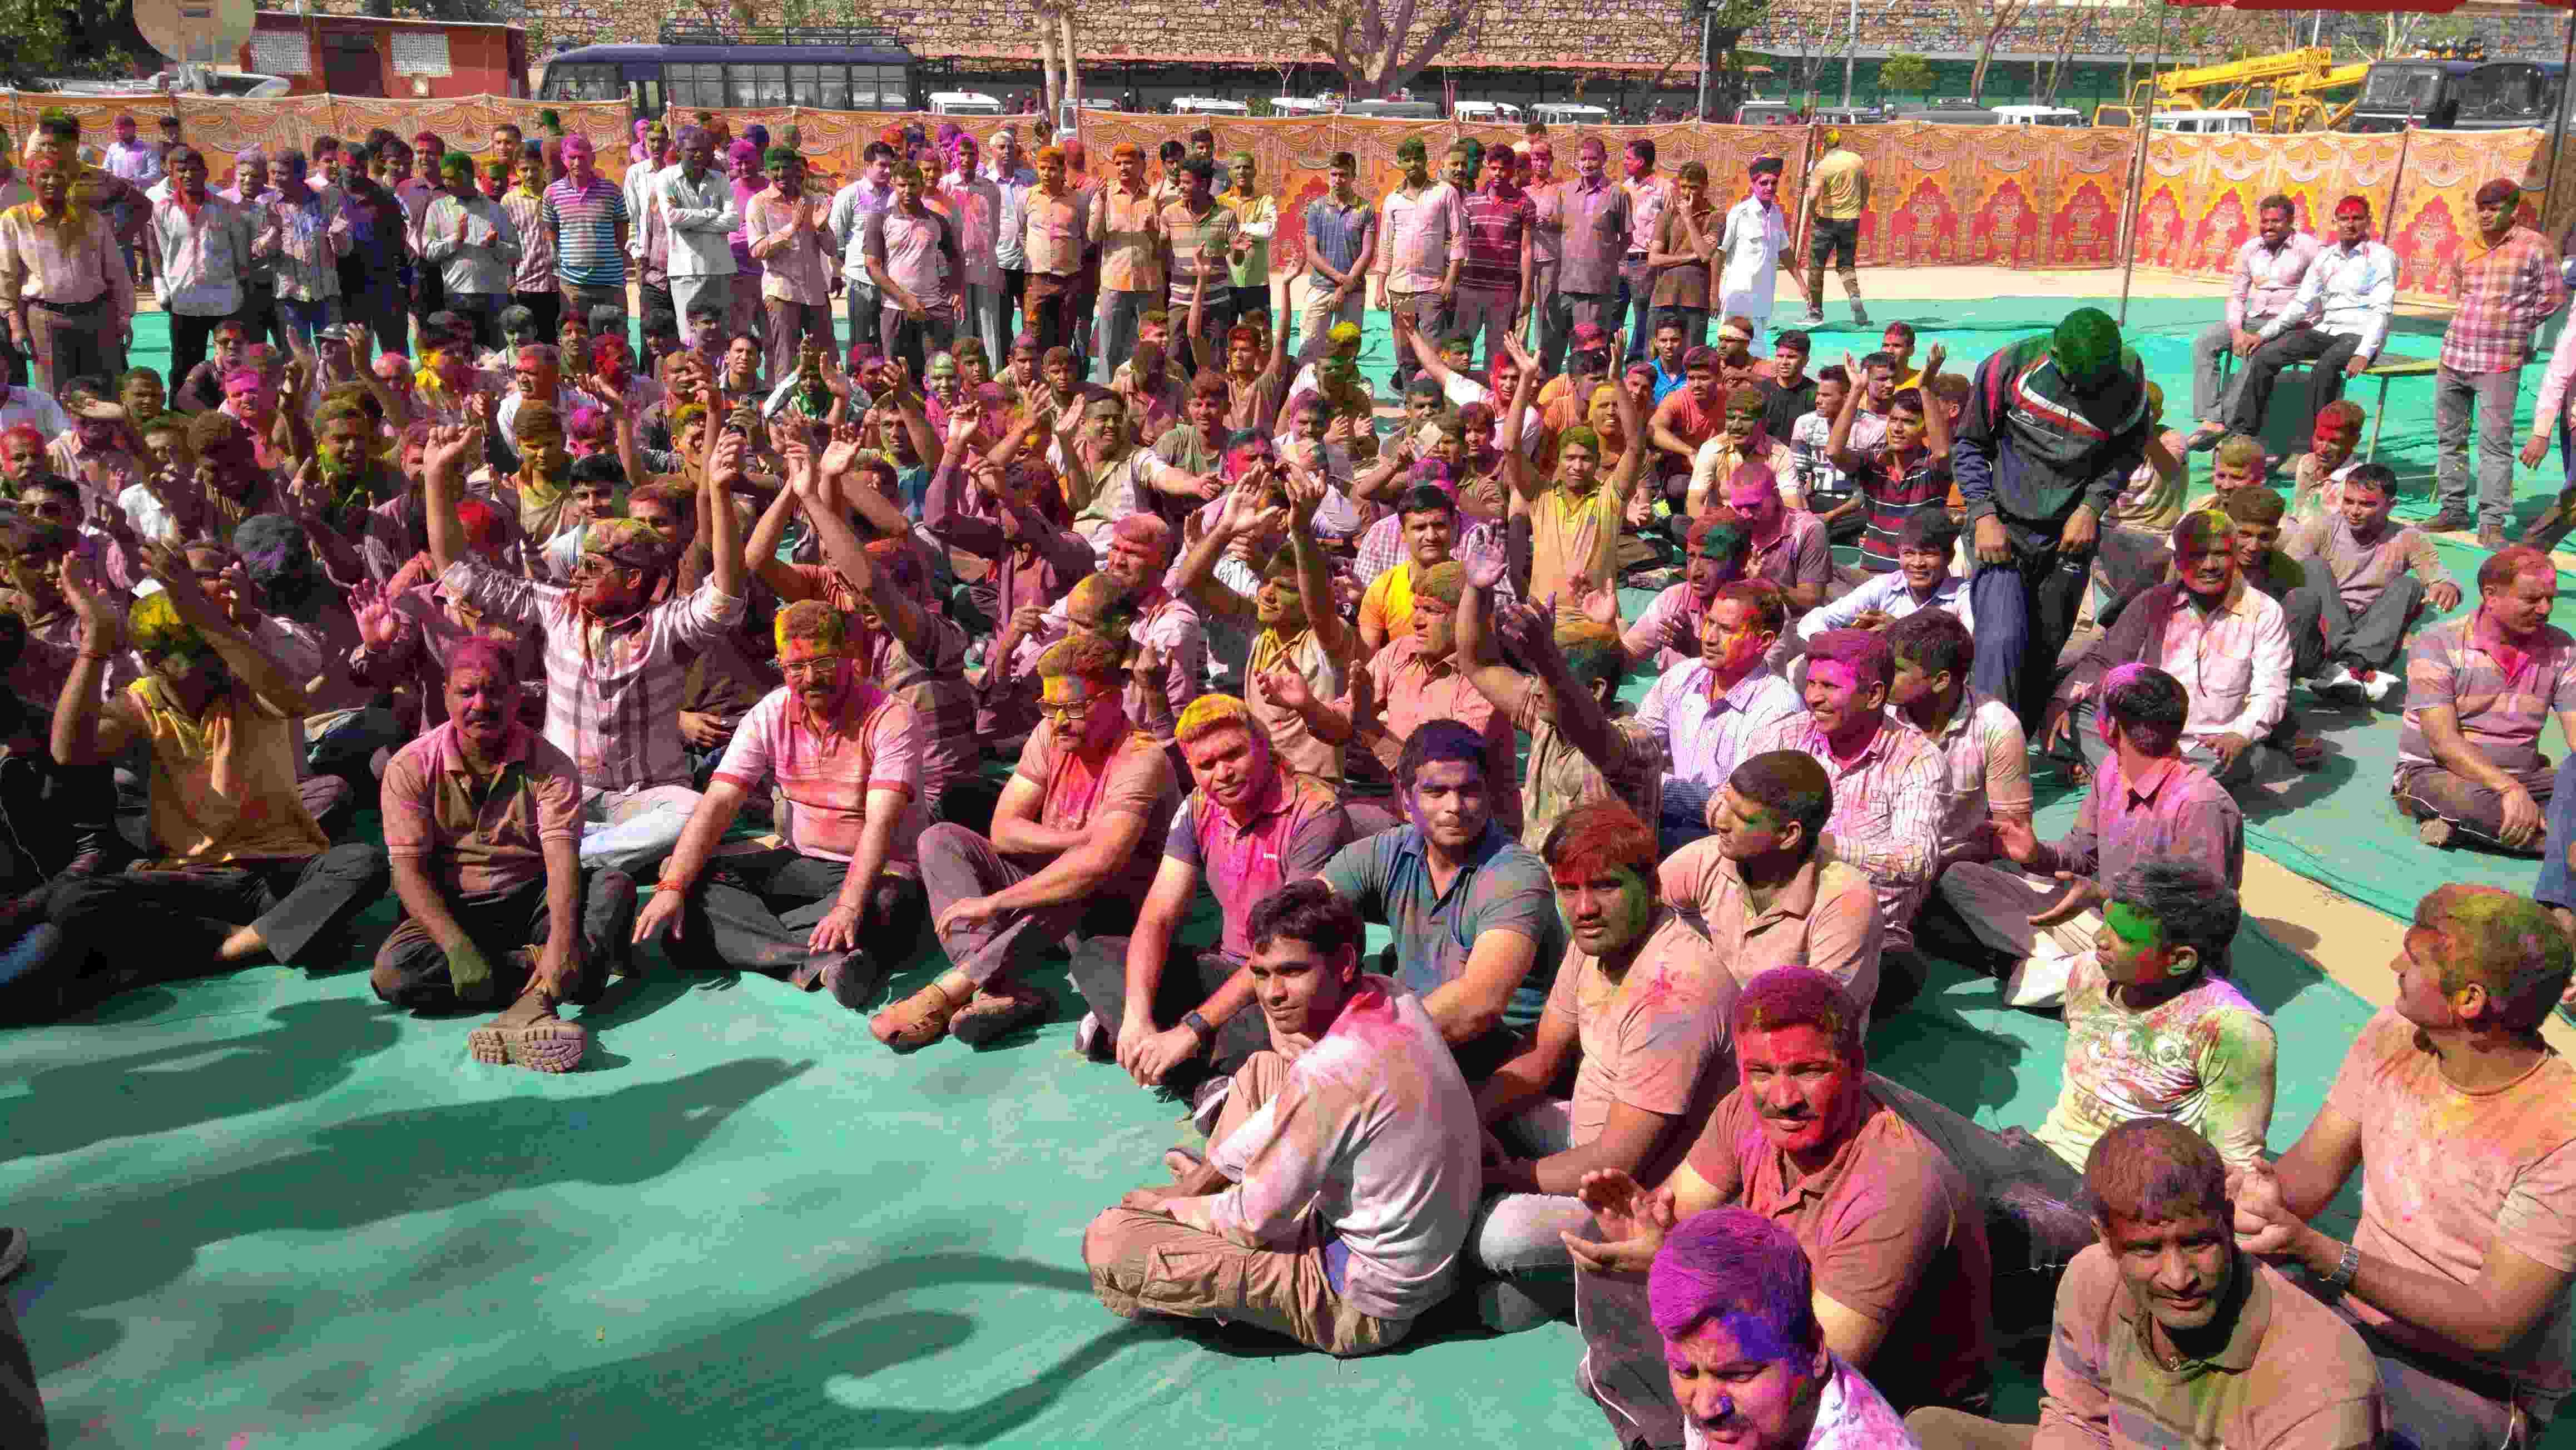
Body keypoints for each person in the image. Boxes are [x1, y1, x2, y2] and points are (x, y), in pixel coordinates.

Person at [1567, 967, 1992, 1432]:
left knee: (1691, 1333)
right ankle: (1654, 1416)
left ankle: (1649, 1408)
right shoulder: (1743, 1113)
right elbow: (1675, 1212)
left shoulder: (1897, 1185)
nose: (1783, 1098)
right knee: (1609, 1253)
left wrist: (1668, 1265)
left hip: (1885, 1391)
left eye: (1810, 1071)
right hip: (1777, 1322)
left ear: (1856, 1066)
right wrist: (1643, 1232)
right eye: (1762, 1073)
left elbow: (1817, 1370)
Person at [2232, 885, 2576, 1450]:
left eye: (2414, 961)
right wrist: (2254, 1195)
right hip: (2348, 1312)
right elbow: (2311, 1176)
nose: (2394, 965)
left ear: (2469, 1000)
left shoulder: (2559, 1133)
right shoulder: (2395, 1034)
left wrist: (2320, 1252)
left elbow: (2493, 1321)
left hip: (2472, 1381)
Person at [1081, 879, 1480, 1358]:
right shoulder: (1390, 996)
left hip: (1365, 1298)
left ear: (1347, 963)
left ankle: (1214, 1267)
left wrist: (1171, 1208)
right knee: (1263, 1070)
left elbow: (1253, 1220)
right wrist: (1198, 1186)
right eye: (1262, 974)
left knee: (1111, 1240)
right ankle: (1221, 1192)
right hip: (1418, 1253)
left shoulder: (1333, 1070)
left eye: (1292, 972)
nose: (1273, 994)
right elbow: (1293, 1108)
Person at [35, 549, 390, 1011]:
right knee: (71, 898)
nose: (205, 669)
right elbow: (68, 750)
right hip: (195, 881)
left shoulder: (249, 685)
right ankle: (265, 937)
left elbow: (291, 702)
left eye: (210, 652)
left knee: (361, 863)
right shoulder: (139, 704)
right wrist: (95, 643)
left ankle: (222, 952)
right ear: (153, 661)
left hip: (277, 873)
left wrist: (205, 615)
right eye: (185, 657)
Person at [1905, 1117, 2384, 1450]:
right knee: (1927, 1432)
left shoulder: (2325, 1381)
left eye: (2199, 1243)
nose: (2179, 1279)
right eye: (2147, 1250)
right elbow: (2077, 1419)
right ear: (2106, 1240)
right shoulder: (2092, 1278)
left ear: (2229, 1221)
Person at [1467, 798, 1736, 1332]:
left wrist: (1499, 1176)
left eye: (1606, 886)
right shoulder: (1592, 943)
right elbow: (1541, 1060)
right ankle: (1567, 1283)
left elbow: (1620, 1158)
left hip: (1643, 1198)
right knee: (1459, 1118)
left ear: (1652, 889)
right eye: (1569, 889)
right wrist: (1458, 1125)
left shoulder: (1675, 989)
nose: (1584, 907)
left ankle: (1615, 1282)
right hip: (1586, 1138)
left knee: (1497, 1233)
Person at [881, 631, 1177, 1052]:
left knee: (1083, 873)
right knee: (939, 838)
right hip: (1049, 898)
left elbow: (1098, 865)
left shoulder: (1140, 758)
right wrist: (1078, 837)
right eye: (1050, 706)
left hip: (1111, 914)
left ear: (1115, 700)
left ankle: (954, 985)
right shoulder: (1050, 735)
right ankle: (1003, 988)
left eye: (1073, 708)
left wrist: (996, 903)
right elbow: (1004, 830)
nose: (1058, 720)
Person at [631, 597, 927, 1009]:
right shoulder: (771, 712)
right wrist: (672, 888)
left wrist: (847, 907)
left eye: (822, 663)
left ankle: (747, 940)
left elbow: (880, 825)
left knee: (887, 905)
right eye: (795, 668)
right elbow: (719, 801)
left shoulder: (891, 717)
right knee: (686, 880)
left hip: (880, 869)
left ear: (849, 658)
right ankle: (812, 962)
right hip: (803, 860)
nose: (809, 679)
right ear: (781, 666)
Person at [371, 636, 637, 1072]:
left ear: (517, 695)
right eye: (467, 692)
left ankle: (531, 1000)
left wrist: (562, 940)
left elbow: (561, 862)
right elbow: (407, 873)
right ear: (445, 697)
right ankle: (554, 979)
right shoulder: (411, 766)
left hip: (530, 898)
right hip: (453, 906)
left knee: (613, 886)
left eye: (495, 691)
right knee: (395, 973)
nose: (482, 704)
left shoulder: (551, 766)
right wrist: (456, 946)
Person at [1067, 691, 1350, 1096]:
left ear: (1263, 745)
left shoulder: (1316, 811)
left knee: (1283, 1036)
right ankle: (1196, 1074)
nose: (1223, 773)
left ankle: (1182, 1071)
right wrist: (1136, 1016)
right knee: (1095, 956)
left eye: (1233, 755)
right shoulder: (1198, 806)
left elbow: (1289, 944)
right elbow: (1159, 916)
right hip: (1225, 966)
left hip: (1283, 978)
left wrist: (1191, 1030)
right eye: (1206, 765)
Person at [1953, 664, 2242, 996]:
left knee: (2130, 974)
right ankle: (2071, 975)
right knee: (1961, 878)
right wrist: (2036, 855)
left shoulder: (2200, 805)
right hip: (2103, 921)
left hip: (2151, 947)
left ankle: (2063, 977)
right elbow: (2082, 854)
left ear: (2111, 726)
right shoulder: (2110, 771)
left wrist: (2104, 896)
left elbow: (2196, 920)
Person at [1318, 718, 1564, 1082]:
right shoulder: (1389, 851)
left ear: (1489, 794)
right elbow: (1293, 921)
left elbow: (1478, 1005)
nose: (1455, 807)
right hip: (1418, 1035)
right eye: (1436, 792)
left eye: (1469, 791)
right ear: (1406, 798)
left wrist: (1357, 1045)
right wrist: (1203, 1023)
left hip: (1500, 1057)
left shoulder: (1514, 875)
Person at [1956, 308, 2153, 730]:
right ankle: (1989, 754)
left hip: (2071, 536)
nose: (2085, 391)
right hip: (2002, 527)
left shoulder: (2130, 379)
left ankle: (2019, 745)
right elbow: (1970, 446)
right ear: (2057, 356)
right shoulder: (2007, 367)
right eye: (2076, 383)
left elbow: (2128, 451)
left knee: (2044, 646)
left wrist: (2091, 508)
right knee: (2002, 639)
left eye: (2095, 384)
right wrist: (1984, 514)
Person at [1744, 629, 1943, 1011]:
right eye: (1811, 683)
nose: (1813, 697)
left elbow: (1918, 861)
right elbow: (1727, 802)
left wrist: (1825, 848)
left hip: (1866, 928)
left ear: (1874, 696)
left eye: (1830, 686)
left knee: (1877, 974)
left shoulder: (1917, 759)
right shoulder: (1784, 735)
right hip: (1772, 908)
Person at [2052, 508, 2293, 790]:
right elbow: (2104, 660)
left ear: (2235, 556)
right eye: (2197, 555)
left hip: (2212, 745)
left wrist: (2240, 734)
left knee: (2251, 756)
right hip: (2145, 735)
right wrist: (2059, 702)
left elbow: (2272, 689)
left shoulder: (2264, 612)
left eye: (2221, 554)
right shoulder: (2151, 602)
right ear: (2178, 561)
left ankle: (2121, 780)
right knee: (2075, 714)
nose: (2210, 565)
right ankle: (2158, 786)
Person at [1459, 550, 1664, 850]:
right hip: (1540, 888)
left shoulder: (1637, 743)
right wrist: (1476, 590)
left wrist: (1544, 654)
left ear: (1596, 690)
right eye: (1539, 675)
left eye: (1549, 677)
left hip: (1599, 893)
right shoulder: (1546, 720)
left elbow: (1587, 729)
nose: (1538, 688)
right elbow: (1480, 665)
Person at [2395, 545, 2576, 855]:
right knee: (2480, 806)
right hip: (2439, 773)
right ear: (2491, 596)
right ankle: (2554, 841)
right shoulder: (2437, 644)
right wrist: (2508, 788)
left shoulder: (2562, 648)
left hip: (2527, 775)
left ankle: (2462, 827)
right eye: (2532, 600)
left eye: (2550, 599)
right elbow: (2443, 744)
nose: (2545, 609)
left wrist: (2518, 786)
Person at [2209, 195, 2393, 475]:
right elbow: (2301, 304)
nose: (2350, 224)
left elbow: (2382, 309)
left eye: (2357, 218)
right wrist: (2265, 335)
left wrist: (2364, 352)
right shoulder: (2326, 257)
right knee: (2265, 356)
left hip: (2360, 333)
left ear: (2368, 222)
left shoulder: (2381, 257)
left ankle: (2314, 449)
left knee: (2326, 368)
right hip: (2327, 328)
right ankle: (2243, 436)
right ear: (2336, 222)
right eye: (2344, 219)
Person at [2431, 179, 2564, 547]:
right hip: (2454, 355)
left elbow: (2552, 297)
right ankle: (2452, 510)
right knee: (2449, 439)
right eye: (2482, 208)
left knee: (2494, 444)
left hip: (2499, 361)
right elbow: (2460, 293)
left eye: (2494, 208)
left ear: (2514, 210)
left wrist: (2514, 324)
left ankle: (2491, 522)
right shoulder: (2466, 249)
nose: (2486, 215)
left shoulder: (2535, 248)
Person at [1637, 578, 1801, 855]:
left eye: (1726, 629)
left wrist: (1652, 784)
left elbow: (1738, 805)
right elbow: (1637, 747)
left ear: (1764, 642)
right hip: (1670, 820)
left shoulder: (1779, 709)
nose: (1709, 637)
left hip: (1731, 843)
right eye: (1710, 623)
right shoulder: (1681, 677)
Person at [2282, 463, 2459, 701]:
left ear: (2391, 506)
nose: (2354, 511)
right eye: (2349, 501)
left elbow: (2438, 575)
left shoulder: (2408, 538)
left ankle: (2350, 666)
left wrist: (2445, 587)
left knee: (2410, 586)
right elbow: (2283, 571)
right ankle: (2352, 668)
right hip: (2323, 627)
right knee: (2312, 566)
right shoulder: (2322, 528)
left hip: (2370, 632)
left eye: (2367, 504)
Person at [2184, 193, 2318, 448]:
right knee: (2205, 342)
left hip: (2290, 325)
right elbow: (2237, 295)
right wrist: (2236, 330)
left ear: (2291, 221)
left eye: (2276, 222)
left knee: (2254, 351)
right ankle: (2211, 419)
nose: (2269, 227)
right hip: (2255, 318)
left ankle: (2229, 422)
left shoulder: (2309, 248)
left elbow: (2317, 292)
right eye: (2265, 221)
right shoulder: (2251, 249)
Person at [0, 153, 135, 396]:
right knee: (55, 392)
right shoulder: (15, 220)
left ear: (69, 180)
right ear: (31, 182)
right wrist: (15, 322)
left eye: (59, 176)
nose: (52, 182)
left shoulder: (91, 219)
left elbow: (116, 271)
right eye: (44, 176)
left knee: (104, 389)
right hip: (45, 319)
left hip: (97, 315)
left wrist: (124, 316)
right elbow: (6, 275)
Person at [143, 146, 252, 395]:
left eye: (194, 169)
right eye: (181, 170)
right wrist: (160, 284)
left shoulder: (227, 208)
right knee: (183, 366)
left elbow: (241, 256)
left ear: (205, 173)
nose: (188, 175)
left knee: (231, 365)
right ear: (172, 175)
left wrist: (243, 290)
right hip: (185, 301)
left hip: (224, 301)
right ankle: (182, 420)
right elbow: (162, 250)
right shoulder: (162, 209)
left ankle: (230, 413)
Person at [1375, 138, 1464, 399]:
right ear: (1400, 164)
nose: (1413, 164)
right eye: (1407, 159)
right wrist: (1380, 287)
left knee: (1434, 354)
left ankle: (1434, 408)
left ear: (1426, 160)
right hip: (1399, 290)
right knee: (1405, 355)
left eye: (1418, 158)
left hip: (1432, 288)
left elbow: (1459, 238)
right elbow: (1385, 245)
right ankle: (1410, 408)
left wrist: (1450, 280)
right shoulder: (1392, 200)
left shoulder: (1444, 192)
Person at [744, 146, 832, 387]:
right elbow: (757, 250)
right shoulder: (759, 203)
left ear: (798, 170)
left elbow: (832, 249)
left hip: (815, 292)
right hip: (781, 290)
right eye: (776, 169)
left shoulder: (813, 201)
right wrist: (791, 229)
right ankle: (782, 417)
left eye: (787, 168)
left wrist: (821, 228)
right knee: (786, 357)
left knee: (826, 358)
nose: (782, 174)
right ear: (767, 172)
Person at [864, 160, 962, 378]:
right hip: (894, 308)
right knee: (896, 376)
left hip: (933, 308)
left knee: (937, 375)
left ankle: (936, 413)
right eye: (902, 186)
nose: (908, 191)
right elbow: (872, 266)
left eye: (913, 185)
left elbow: (955, 257)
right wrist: (905, 299)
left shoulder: (937, 221)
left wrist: (956, 290)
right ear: (893, 185)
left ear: (921, 186)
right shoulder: (879, 220)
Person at [421, 152, 519, 350]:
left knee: (497, 353)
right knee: (462, 354)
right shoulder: (437, 209)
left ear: (467, 176)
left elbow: (516, 253)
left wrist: (495, 245)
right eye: (444, 177)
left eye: (452, 177)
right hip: (458, 296)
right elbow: (428, 252)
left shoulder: (495, 210)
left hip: (494, 296)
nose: (446, 182)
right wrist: (455, 239)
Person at [659, 128, 740, 359]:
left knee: (723, 335)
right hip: (686, 270)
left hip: (720, 269)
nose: (699, 156)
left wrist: (694, 222)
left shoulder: (720, 179)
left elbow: (733, 220)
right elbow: (673, 218)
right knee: (689, 336)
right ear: (678, 150)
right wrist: (711, 214)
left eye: (704, 151)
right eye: (692, 151)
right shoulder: (667, 178)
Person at [1455, 143, 1534, 380]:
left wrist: (1526, 291)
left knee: (1497, 352)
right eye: (1493, 168)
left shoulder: (1524, 203)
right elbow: (1459, 242)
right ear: (1486, 169)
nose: (1498, 174)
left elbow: (1527, 249)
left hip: (1504, 290)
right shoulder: (1470, 201)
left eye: (1503, 169)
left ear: (1513, 171)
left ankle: (1494, 402)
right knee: (1460, 347)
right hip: (1470, 286)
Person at [1090, 142, 1162, 388]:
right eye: (1118, 163)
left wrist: (1155, 212)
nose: (1123, 167)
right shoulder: (1105, 195)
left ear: (1143, 166)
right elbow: (1093, 236)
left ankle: (1151, 392)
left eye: (1129, 162)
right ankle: (1108, 396)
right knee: (1109, 348)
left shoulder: (1154, 195)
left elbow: (1163, 239)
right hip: (1115, 283)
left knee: (1152, 344)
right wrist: (1099, 203)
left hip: (1149, 283)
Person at [1297, 152, 1374, 365]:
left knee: (1346, 351)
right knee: (1309, 349)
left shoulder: (1365, 209)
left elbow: (1367, 253)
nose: (1338, 180)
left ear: (1353, 176)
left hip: (1353, 292)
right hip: (1321, 288)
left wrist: (1345, 287)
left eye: (1343, 175)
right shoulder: (1317, 208)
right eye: (1333, 174)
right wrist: (1341, 279)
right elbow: (1312, 253)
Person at [1717, 156, 1799, 335]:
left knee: (1757, 351)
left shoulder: (1777, 213)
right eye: (1764, 183)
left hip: (1763, 298)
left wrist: (1802, 285)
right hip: (1738, 297)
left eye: (1774, 183)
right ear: (1753, 184)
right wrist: (1712, 294)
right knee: (1731, 345)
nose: (1770, 187)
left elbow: (1784, 251)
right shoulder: (1739, 213)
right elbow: (1720, 254)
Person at [1799, 131, 1867, 328]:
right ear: (1840, 143)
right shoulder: (1856, 161)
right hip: (1851, 219)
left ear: (1824, 146)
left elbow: (1813, 197)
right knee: (1846, 265)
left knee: (1816, 265)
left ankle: (1815, 311)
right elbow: (1866, 187)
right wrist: (1858, 207)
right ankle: (1854, 296)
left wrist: (1814, 214)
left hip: (1827, 220)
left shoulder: (1822, 167)